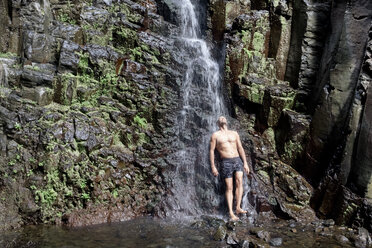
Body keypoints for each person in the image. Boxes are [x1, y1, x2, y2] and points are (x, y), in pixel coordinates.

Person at [210, 116, 250, 221]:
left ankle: (238, 208)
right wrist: (213, 166)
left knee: (239, 182)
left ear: (226, 121)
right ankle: (231, 212)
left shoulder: (234, 133)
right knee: (229, 187)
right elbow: (211, 151)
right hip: (225, 162)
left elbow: (240, 148)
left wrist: (245, 163)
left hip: (237, 160)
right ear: (218, 123)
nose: (222, 118)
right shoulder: (215, 135)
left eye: (224, 117)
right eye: (220, 118)